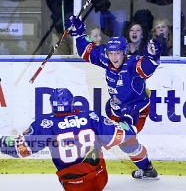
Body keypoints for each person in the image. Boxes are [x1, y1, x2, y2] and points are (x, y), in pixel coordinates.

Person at [65, 16, 163, 179]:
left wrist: (153, 58)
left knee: (125, 143)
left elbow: (146, 69)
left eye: (118, 53)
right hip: (116, 109)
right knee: (104, 136)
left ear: (124, 52)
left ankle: (146, 168)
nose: (114, 57)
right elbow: (87, 51)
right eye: (111, 53)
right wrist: (79, 33)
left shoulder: (132, 64)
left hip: (135, 112)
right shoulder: (106, 58)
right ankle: (147, 169)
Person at [0, 88, 139, 191]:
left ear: (52, 105)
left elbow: (20, 150)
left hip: (72, 185)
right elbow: (119, 136)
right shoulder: (91, 116)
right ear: (72, 103)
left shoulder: (45, 124)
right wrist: (127, 120)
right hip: (100, 179)